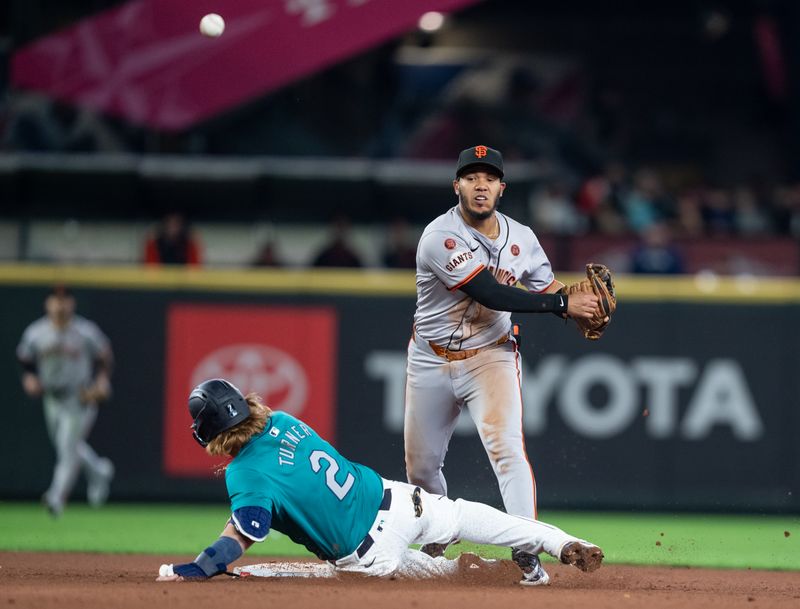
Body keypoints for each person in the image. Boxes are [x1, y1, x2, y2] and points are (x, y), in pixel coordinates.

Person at [155, 379, 603, 583]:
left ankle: (487, 573)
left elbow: (242, 535)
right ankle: (559, 543)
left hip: (372, 555)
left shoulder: (244, 474)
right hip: (402, 499)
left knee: (442, 577)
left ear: (208, 433)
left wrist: (197, 567)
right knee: (470, 514)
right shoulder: (283, 420)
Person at [404, 145, 600, 585]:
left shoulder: (523, 238)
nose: (480, 185)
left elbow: (548, 287)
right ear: (456, 185)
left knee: (508, 451)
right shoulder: (440, 236)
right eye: (471, 177)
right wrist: (560, 303)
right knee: (420, 467)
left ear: (501, 188)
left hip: (492, 356)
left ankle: (527, 549)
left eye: (489, 178)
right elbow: (491, 294)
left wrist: (576, 305)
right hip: (431, 360)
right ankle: (438, 533)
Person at [16, 285, 115, 517]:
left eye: (65, 300)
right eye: (55, 300)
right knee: (67, 446)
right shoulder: (36, 332)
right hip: (51, 398)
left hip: (79, 397)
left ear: (72, 304)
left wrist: (100, 382)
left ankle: (56, 497)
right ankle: (99, 472)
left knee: (68, 447)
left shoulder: (85, 331)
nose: (60, 305)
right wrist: (30, 378)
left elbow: (105, 358)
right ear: (48, 304)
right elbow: (25, 359)